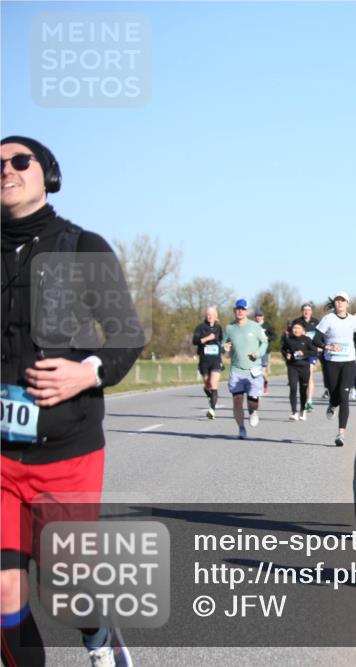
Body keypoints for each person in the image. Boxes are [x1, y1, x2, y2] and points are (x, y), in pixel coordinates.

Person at [2, 135, 143, 666]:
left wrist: (85, 374)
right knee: (5, 594)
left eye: (20, 160)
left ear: (47, 175)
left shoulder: (82, 247)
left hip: (64, 450)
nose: (7, 170)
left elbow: (126, 335)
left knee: (68, 592)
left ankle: (99, 635)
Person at [315, 293, 356, 447]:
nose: (339, 303)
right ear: (334, 303)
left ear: (347, 303)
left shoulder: (353, 320)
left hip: (349, 361)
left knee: (344, 396)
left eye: (343, 301)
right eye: (337, 300)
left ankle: (341, 433)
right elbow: (315, 339)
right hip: (332, 361)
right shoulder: (328, 319)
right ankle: (332, 404)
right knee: (334, 393)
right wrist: (327, 346)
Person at [222, 299, 268, 439]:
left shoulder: (255, 327)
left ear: (246, 311)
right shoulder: (229, 328)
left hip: (253, 369)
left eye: (243, 309)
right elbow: (225, 344)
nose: (240, 311)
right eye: (238, 309)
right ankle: (241, 428)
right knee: (237, 399)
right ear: (234, 310)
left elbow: (264, 342)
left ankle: (253, 412)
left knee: (252, 401)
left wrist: (258, 353)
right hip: (236, 369)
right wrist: (225, 348)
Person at [281, 321, 321, 420]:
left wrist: (303, 353)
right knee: (293, 388)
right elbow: (283, 349)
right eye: (294, 328)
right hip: (292, 367)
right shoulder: (288, 339)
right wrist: (287, 355)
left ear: (303, 330)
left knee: (303, 390)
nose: (296, 330)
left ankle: (303, 410)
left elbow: (314, 351)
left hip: (304, 367)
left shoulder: (307, 340)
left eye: (298, 328)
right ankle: (294, 412)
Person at [192, 305, 224, 418]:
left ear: (216, 316)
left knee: (214, 384)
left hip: (215, 360)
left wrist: (224, 348)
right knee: (208, 384)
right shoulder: (200, 327)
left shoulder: (219, 328)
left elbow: (221, 342)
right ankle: (207, 391)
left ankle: (212, 410)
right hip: (204, 360)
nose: (209, 316)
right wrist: (206, 339)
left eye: (211, 315)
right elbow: (195, 341)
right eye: (207, 315)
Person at [291, 302, 321, 411]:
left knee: (310, 374)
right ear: (302, 311)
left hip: (311, 352)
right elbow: (291, 337)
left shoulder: (316, 322)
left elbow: (320, 335)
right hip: (299, 352)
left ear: (311, 311)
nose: (306, 312)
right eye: (305, 310)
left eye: (308, 310)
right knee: (301, 377)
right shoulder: (296, 322)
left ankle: (309, 401)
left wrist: (320, 345)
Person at [254, 310, 276, 395]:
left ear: (263, 317)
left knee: (262, 371)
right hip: (254, 351)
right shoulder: (252, 325)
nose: (258, 317)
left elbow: (274, 336)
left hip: (265, 351)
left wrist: (267, 337)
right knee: (254, 370)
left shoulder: (267, 326)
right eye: (257, 316)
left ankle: (265, 383)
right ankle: (256, 386)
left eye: (260, 316)